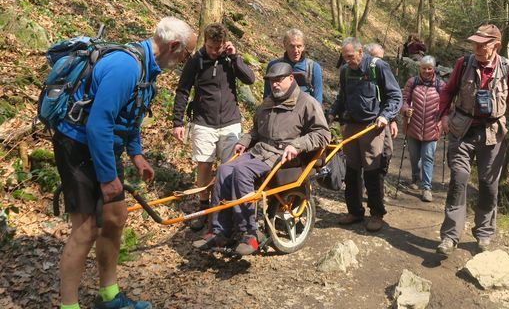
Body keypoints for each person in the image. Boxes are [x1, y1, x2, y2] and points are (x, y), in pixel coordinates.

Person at [52, 17, 197, 309]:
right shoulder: (125, 67)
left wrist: (137, 154)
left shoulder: (146, 67)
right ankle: (68, 305)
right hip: (77, 145)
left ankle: (108, 296)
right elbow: (98, 125)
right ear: (173, 45)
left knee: (115, 218)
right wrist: (107, 178)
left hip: (104, 146)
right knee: (86, 230)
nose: (185, 60)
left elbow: (130, 115)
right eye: (186, 54)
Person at [202, 62, 330, 255]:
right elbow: (256, 130)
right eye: (271, 81)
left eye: (279, 80)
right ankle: (220, 230)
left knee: (241, 172)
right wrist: (245, 141)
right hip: (260, 151)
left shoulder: (307, 102)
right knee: (223, 170)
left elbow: (322, 134)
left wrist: (296, 145)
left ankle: (250, 232)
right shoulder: (268, 102)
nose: (275, 85)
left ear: (291, 78)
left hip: (285, 157)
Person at [437, 24, 509, 256]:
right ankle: (450, 236)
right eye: (474, 43)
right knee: (459, 178)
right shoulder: (463, 63)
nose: (476, 47)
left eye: (482, 44)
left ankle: (484, 232)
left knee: (489, 185)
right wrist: (443, 115)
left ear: (496, 45)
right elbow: (447, 91)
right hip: (462, 129)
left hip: (493, 133)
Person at [171, 23, 255, 230]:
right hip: (203, 122)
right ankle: (203, 208)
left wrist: (235, 58)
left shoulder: (229, 59)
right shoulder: (196, 61)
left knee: (229, 168)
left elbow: (250, 79)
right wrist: (177, 122)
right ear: (205, 42)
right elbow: (182, 91)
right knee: (204, 165)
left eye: (217, 47)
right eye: (210, 47)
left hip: (230, 122)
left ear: (224, 44)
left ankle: (225, 209)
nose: (214, 51)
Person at [329, 38, 402, 232]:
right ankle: (354, 211)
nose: (347, 61)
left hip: (372, 127)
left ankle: (376, 214)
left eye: (350, 57)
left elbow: (395, 95)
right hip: (351, 126)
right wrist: (332, 112)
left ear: (361, 52)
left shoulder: (378, 67)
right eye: (344, 57)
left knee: (372, 170)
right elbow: (342, 97)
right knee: (351, 171)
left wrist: (386, 116)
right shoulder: (345, 71)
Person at [400, 55, 444, 202]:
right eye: (424, 68)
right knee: (414, 156)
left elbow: (446, 105)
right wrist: (406, 110)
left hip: (432, 128)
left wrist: (442, 115)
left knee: (428, 157)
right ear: (419, 68)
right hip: (413, 127)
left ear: (434, 69)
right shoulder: (412, 82)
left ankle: (426, 187)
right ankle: (414, 177)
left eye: (429, 68)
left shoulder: (440, 85)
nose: (426, 71)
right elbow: (403, 100)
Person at [264, 28, 323, 103]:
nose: (296, 51)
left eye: (299, 46)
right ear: (285, 45)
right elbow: (267, 96)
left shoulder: (313, 68)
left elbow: (318, 100)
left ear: (303, 47)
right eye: (292, 46)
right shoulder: (273, 66)